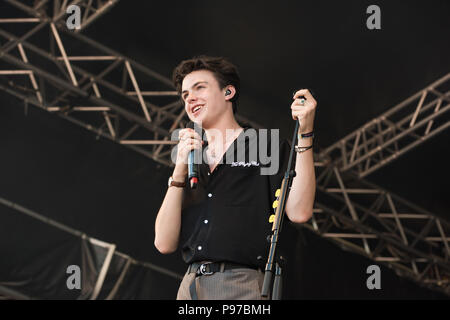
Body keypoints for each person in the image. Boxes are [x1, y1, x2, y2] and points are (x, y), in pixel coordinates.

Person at [154, 55, 316, 300]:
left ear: (228, 92)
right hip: (190, 286)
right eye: (185, 94)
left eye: (199, 88)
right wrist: (178, 172)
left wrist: (305, 134)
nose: (190, 98)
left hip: (242, 283)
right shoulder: (190, 159)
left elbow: (299, 212)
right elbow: (163, 243)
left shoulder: (266, 145)